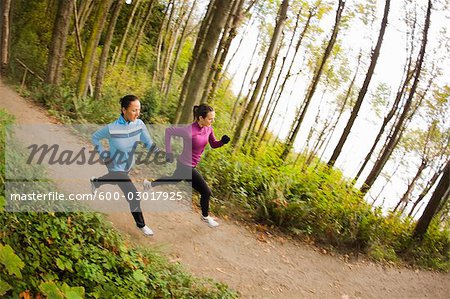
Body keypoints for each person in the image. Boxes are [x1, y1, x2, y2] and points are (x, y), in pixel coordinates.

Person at [144, 104, 230, 228]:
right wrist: (168, 152)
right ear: (201, 118)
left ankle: (149, 184)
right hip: (185, 166)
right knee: (206, 191)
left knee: (174, 180)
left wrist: (222, 142)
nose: (212, 121)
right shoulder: (189, 130)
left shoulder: (209, 129)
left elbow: (213, 144)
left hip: (190, 165)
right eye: (210, 119)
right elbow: (169, 131)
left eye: (213, 118)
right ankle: (205, 217)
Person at [90, 95, 160, 236]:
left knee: (115, 180)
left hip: (128, 164)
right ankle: (141, 225)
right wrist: (103, 155)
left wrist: (159, 152)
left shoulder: (139, 124)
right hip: (114, 165)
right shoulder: (112, 128)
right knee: (133, 194)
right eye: (134, 110)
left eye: (139, 110)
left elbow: (148, 142)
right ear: (124, 110)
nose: (137, 113)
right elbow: (95, 137)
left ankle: (96, 182)